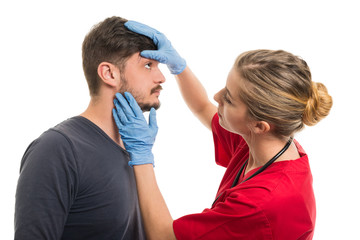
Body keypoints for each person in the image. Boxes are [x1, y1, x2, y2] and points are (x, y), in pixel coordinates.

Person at [112, 21, 333, 240]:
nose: (217, 97)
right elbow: (202, 107)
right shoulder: (266, 144)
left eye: (228, 98)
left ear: (260, 125)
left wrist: (141, 155)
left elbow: (164, 236)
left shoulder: (259, 203)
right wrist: (178, 67)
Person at [14, 16, 166, 239]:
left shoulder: (136, 151)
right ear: (109, 73)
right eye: (147, 65)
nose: (161, 77)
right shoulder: (58, 150)